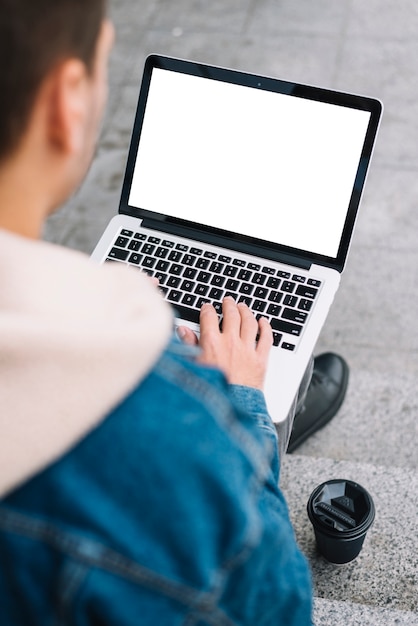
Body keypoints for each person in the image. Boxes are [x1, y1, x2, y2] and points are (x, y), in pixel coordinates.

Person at [0, 0, 348, 623]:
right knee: (255, 383)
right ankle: (275, 407)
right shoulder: (184, 457)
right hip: (203, 437)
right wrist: (238, 407)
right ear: (67, 102)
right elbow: (281, 612)